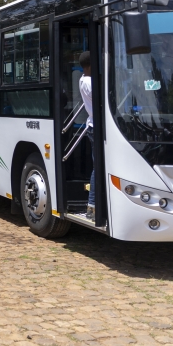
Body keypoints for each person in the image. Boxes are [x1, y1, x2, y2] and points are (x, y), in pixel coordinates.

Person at [79, 51, 95, 221]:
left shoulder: (82, 80)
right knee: (97, 168)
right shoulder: (90, 82)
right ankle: (92, 206)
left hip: (91, 125)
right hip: (96, 127)